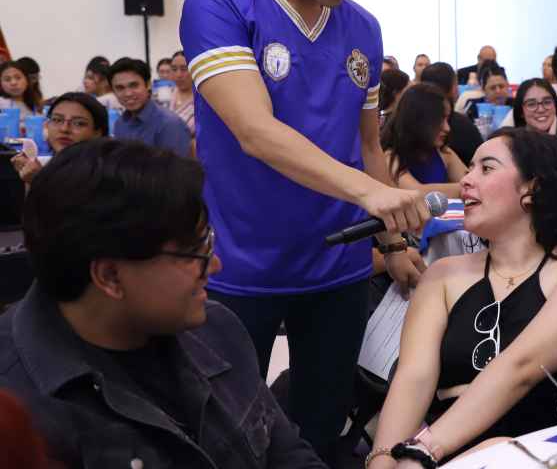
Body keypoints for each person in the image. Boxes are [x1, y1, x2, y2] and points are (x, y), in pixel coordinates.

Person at [177, 0, 430, 462]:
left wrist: (392, 241)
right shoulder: (220, 2)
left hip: (338, 267)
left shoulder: (363, 27)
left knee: (319, 429)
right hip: (239, 262)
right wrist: (369, 193)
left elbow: (367, 147)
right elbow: (254, 131)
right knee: (223, 432)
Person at [0, 139, 328, 468]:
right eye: (194, 252)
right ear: (110, 276)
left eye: (208, 241)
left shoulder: (216, 329)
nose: (215, 265)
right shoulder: (22, 418)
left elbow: (287, 453)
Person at [369, 128, 557, 468]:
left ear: (532, 188)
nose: (465, 181)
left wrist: (420, 453)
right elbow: (413, 379)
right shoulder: (442, 275)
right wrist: (382, 459)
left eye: (486, 168)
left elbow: (520, 367)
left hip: (545, 454)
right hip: (445, 453)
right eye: (470, 168)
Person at [382, 83, 467, 199]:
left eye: (447, 119)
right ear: (419, 121)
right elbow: (416, 194)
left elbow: (474, 183)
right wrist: (465, 187)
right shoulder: (390, 157)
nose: (447, 128)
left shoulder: (443, 153)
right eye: (439, 120)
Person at [10, 92, 108, 184]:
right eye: (57, 120)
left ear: (97, 132)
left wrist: (39, 180)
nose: (64, 129)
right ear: (46, 125)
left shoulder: (104, 173)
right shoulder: (48, 165)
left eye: (78, 123)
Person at [108, 57, 192, 157]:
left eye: (134, 85)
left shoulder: (169, 124)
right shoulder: (120, 124)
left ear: (148, 85)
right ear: (113, 91)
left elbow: (178, 166)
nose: (128, 93)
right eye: (120, 88)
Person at [419, 61, 483, 166]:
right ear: (452, 89)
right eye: (456, 84)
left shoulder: (414, 123)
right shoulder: (462, 126)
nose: (446, 128)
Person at [0, 61, 43, 126]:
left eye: (18, 78)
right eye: (7, 79)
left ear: (27, 80)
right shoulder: (1, 103)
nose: (13, 83)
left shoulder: (35, 103)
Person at [168, 50, 196, 136]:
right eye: (174, 69)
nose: (178, 75)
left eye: (184, 69)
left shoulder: (201, 99)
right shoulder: (166, 94)